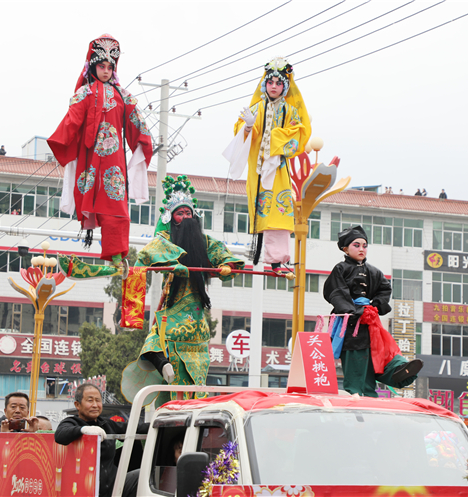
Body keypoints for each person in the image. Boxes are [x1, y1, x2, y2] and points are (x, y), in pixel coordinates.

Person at [131, 176, 244, 405]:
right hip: (173, 303)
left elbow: (224, 255)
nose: (185, 217)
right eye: (179, 213)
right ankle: (163, 364)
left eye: (188, 213)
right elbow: (150, 253)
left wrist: (226, 265)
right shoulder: (165, 238)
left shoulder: (204, 241)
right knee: (155, 340)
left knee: (196, 375)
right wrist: (174, 262)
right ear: (171, 218)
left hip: (197, 314)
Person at [48, 34, 153, 267]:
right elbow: (72, 121)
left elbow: (137, 123)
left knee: (116, 207)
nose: (106, 71)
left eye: (110, 67)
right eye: (101, 66)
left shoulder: (123, 96)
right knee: (95, 200)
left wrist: (143, 142)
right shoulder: (84, 93)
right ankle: (111, 254)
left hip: (115, 164)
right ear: (93, 66)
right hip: (90, 160)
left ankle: (117, 256)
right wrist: (63, 142)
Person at [225, 57, 310, 270]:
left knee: (280, 211)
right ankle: (262, 254)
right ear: (265, 84)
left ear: (285, 86)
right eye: (270, 82)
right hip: (259, 168)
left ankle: (277, 258)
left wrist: (274, 138)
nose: (273, 86)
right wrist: (248, 126)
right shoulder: (257, 108)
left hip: (278, 167)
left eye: (278, 83)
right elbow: (243, 133)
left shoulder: (290, 111)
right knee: (262, 208)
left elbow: (299, 134)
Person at [323, 226, 423, 396]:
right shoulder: (341, 269)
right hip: (350, 322)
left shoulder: (374, 271)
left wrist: (375, 305)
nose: (361, 249)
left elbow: (385, 289)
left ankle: (398, 369)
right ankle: (359, 392)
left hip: (370, 320)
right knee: (356, 356)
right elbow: (336, 291)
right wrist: (354, 310)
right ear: (345, 249)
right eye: (356, 245)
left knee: (380, 349)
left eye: (364, 245)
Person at [55, 384, 148, 497]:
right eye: (90, 400)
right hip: (84, 489)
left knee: (142, 475)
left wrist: (159, 420)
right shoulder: (71, 422)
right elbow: (60, 435)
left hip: (113, 487)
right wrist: (83, 430)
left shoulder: (106, 424)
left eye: (98, 400)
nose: (95, 405)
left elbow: (137, 428)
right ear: (77, 405)